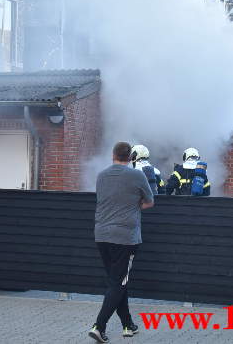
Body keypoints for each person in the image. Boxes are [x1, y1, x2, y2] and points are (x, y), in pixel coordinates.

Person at [89, 142, 155, 343]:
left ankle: (128, 324)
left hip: (101, 235)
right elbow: (150, 201)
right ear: (131, 157)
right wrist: (134, 206)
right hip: (125, 238)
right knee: (118, 282)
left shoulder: (101, 176)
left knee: (116, 281)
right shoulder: (137, 175)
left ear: (112, 155)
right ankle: (99, 326)